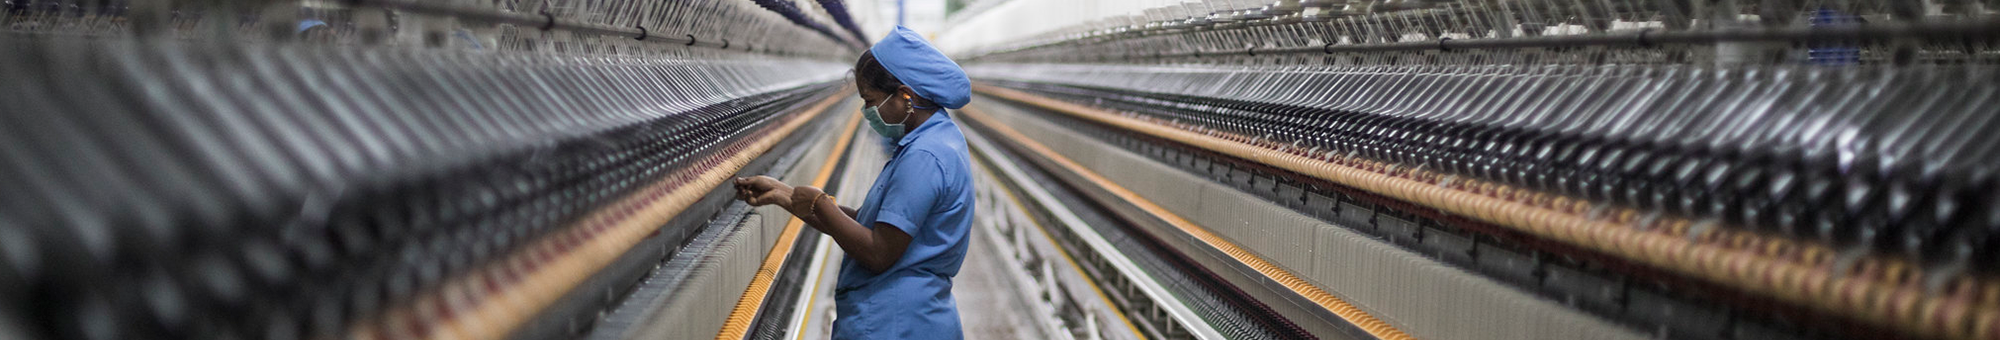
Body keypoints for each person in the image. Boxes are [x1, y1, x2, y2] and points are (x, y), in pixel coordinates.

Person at [733, 25, 975, 339]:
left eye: (871, 100)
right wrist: (784, 195)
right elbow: (868, 223)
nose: (867, 111)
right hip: (903, 316)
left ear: (905, 96)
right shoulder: (933, 139)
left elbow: (878, 252)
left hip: (897, 323)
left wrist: (819, 202)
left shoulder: (925, 156)